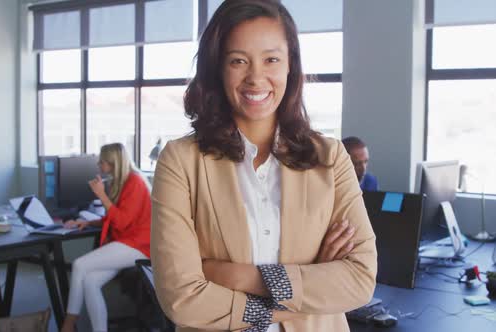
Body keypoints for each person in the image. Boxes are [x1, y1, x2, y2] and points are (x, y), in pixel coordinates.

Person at [151, 1, 377, 331]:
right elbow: (181, 299)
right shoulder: (180, 162)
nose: (256, 78)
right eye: (238, 60)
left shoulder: (330, 158)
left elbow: (360, 279)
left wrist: (238, 275)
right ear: (218, 68)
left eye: (271, 59)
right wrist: (311, 285)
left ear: (290, 66)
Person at [60, 143, 151, 332]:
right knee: (91, 281)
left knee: (79, 265)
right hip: (127, 242)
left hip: (139, 245)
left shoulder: (135, 182)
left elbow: (123, 222)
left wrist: (102, 195)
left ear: (113, 163)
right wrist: (90, 223)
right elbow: (117, 216)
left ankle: (68, 325)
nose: (99, 166)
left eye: (102, 162)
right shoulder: (124, 182)